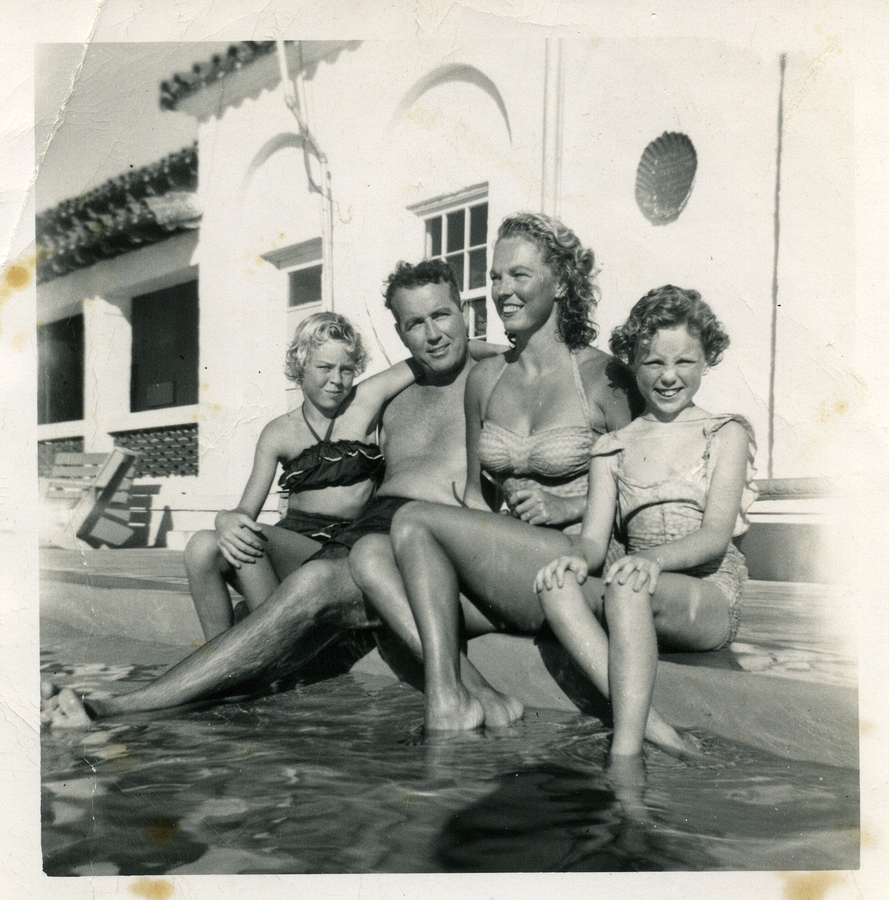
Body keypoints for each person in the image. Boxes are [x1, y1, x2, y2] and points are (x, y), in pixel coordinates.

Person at [42, 259, 510, 727]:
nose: (432, 334)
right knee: (247, 565)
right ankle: (186, 692)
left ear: (464, 311)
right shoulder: (393, 396)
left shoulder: (498, 380)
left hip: (418, 539)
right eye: (415, 323)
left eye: (442, 316)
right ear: (400, 332)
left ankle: (113, 708)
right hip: (362, 537)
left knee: (308, 585)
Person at [351, 212, 636, 734]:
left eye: (519, 276)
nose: (502, 290)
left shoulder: (603, 377)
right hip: (513, 573)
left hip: (578, 568)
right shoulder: (486, 379)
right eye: (495, 277)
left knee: (412, 520)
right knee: (370, 553)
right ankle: (467, 694)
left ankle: (445, 702)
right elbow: (478, 501)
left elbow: (643, 492)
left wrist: (571, 506)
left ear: (562, 281)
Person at [534, 286, 757, 760]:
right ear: (632, 361)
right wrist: (574, 559)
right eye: (654, 362)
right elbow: (594, 540)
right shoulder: (613, 446)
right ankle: (655, 727)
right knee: (554, 585)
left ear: (707, 359)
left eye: (685, 363)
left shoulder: (724, 433)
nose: (669, 377)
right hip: (637, 584)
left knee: (630, 583)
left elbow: (716, 538)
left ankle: (625, 753)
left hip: (707, 592)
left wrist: (650, 560)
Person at [185, 311, 416, 640]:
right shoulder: (279, 432)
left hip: (342, 546)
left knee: (253, 542)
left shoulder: (365, 401)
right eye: (324, 368)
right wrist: (225, 518)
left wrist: (504, 352)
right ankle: (213, 653)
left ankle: (272, 648)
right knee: (201, 546)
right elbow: (244, 513)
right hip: (293, 544)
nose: (336, 380)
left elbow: (425, 358)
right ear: (300, 367)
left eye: (346, 369)